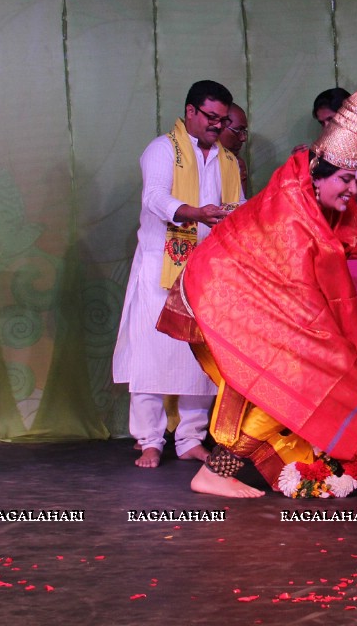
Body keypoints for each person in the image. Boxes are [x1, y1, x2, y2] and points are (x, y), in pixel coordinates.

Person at [158, 80, 357, 498]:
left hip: (242, 293)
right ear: (319, 177)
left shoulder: (308, 193)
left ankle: (243, 468)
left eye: (356, 180)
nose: (353, 191)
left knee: (275, 382)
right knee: (283, 378)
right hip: (224, 292)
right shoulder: (294, 213)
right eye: (346, 180)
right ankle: (214, 472)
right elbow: (302, 300)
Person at [111, 81, 243, 469]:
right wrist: (195, 212)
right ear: (190, 112)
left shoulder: (228, 162)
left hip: (207, 272)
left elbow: (238, 207)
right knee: (150, 356)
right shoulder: (163, 149)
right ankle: (150, 441)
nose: (217, 127)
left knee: (199, 359)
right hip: (160, 268)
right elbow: (153, 197)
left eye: (223, 121)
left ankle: (189, 439)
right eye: (211, 118)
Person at [219, 103, 250, 195]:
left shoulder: (237, 164)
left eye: (244, 131)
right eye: (238, 130)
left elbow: (240, 206)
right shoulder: (185, 160)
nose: (243, 138)